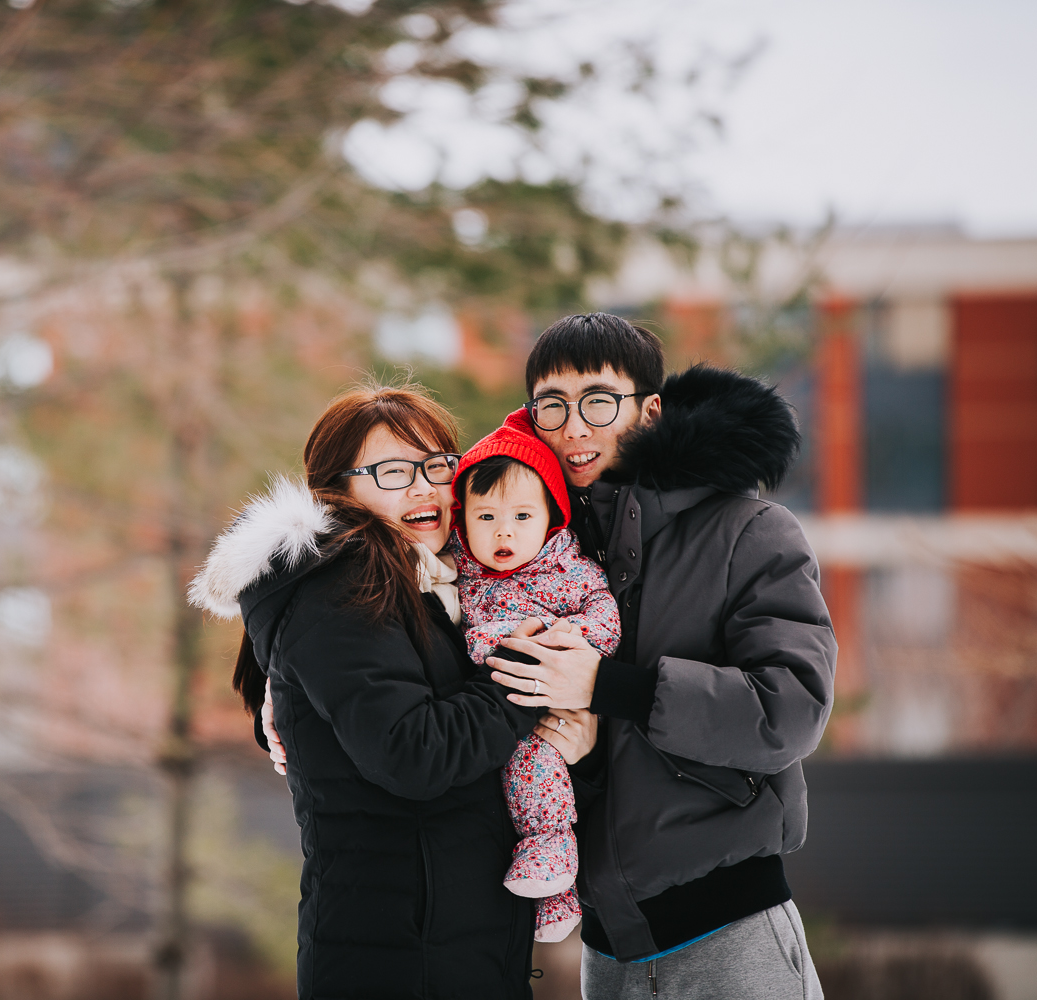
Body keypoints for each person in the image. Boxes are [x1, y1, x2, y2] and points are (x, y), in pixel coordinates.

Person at [188, 380, 591, 1000]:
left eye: (437, 466)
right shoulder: (344, 589)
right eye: (395, 470)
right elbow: (415, 752)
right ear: (338, 491)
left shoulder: (435, 588)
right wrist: (527, 672)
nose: (426, 486)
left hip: (449, 945)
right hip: (401, 958)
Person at [486, 313, 834, 999]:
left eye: (597, 400)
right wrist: (279, 698)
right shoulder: (536, 549)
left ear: (649, 410)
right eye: (551, 405)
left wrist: (610, 687)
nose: (573, 426)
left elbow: (791, 708)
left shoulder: (749, 531)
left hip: (730, 935)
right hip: (608, 954)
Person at [449, 419, 621, 943]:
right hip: (494, 709)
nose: (504, 532)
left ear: (550, 519)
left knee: (535, 763)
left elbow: (604, 615)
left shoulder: (566, 569)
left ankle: (551, 854)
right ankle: (557, 897)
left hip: (550, 704)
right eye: (487, 516)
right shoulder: (457, 569)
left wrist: (571, 639)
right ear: (464, 522)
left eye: (522, 516)